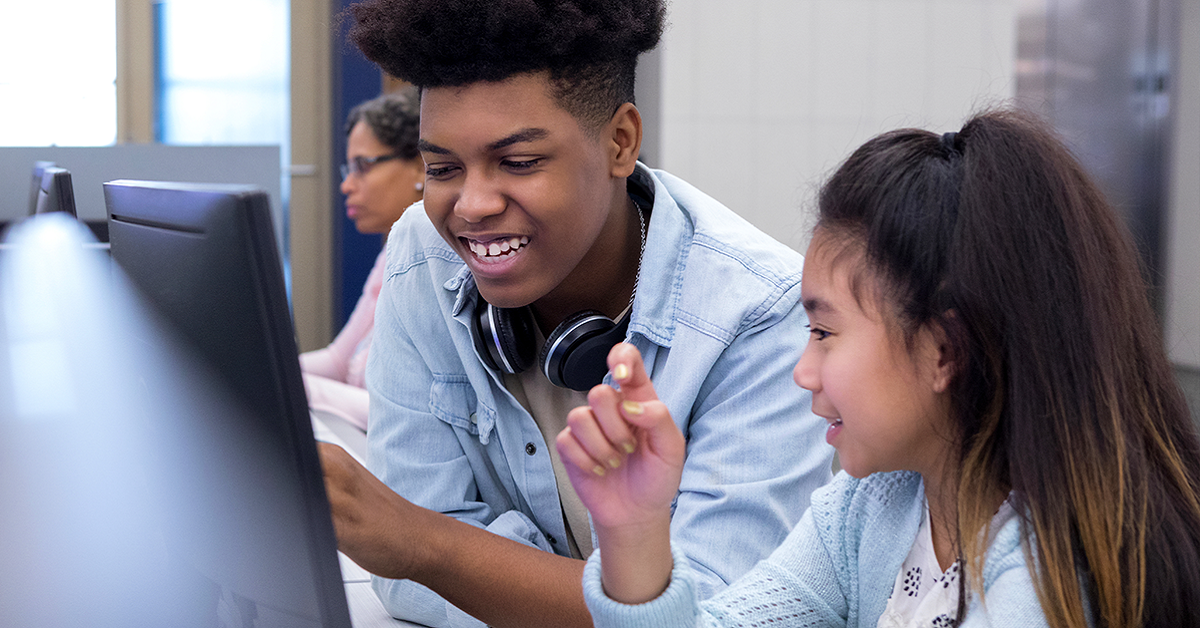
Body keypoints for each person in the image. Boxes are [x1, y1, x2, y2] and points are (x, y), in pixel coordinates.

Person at [563, 109, 1200, 628]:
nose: (803, 372)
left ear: (945, 350)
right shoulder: (873, 505)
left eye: (823, 332)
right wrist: (635, 528)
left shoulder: (1045, 578)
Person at [315, 1, 833, 627]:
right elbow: (403, 587)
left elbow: (712, 614)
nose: (471, 205)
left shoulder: (760, 315)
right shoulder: (421, 257)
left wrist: (423, 545)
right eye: (441, 168)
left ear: (621, 142)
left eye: (520, 162)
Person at [300, 86, 423, 431]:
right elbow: (340, 362)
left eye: (363, 166)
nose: (347, 185)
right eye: (348, 169)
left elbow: (400, 418)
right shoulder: (392, 253)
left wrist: (286, 386)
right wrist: (262, 369)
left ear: (419, 167)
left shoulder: (445, 266)